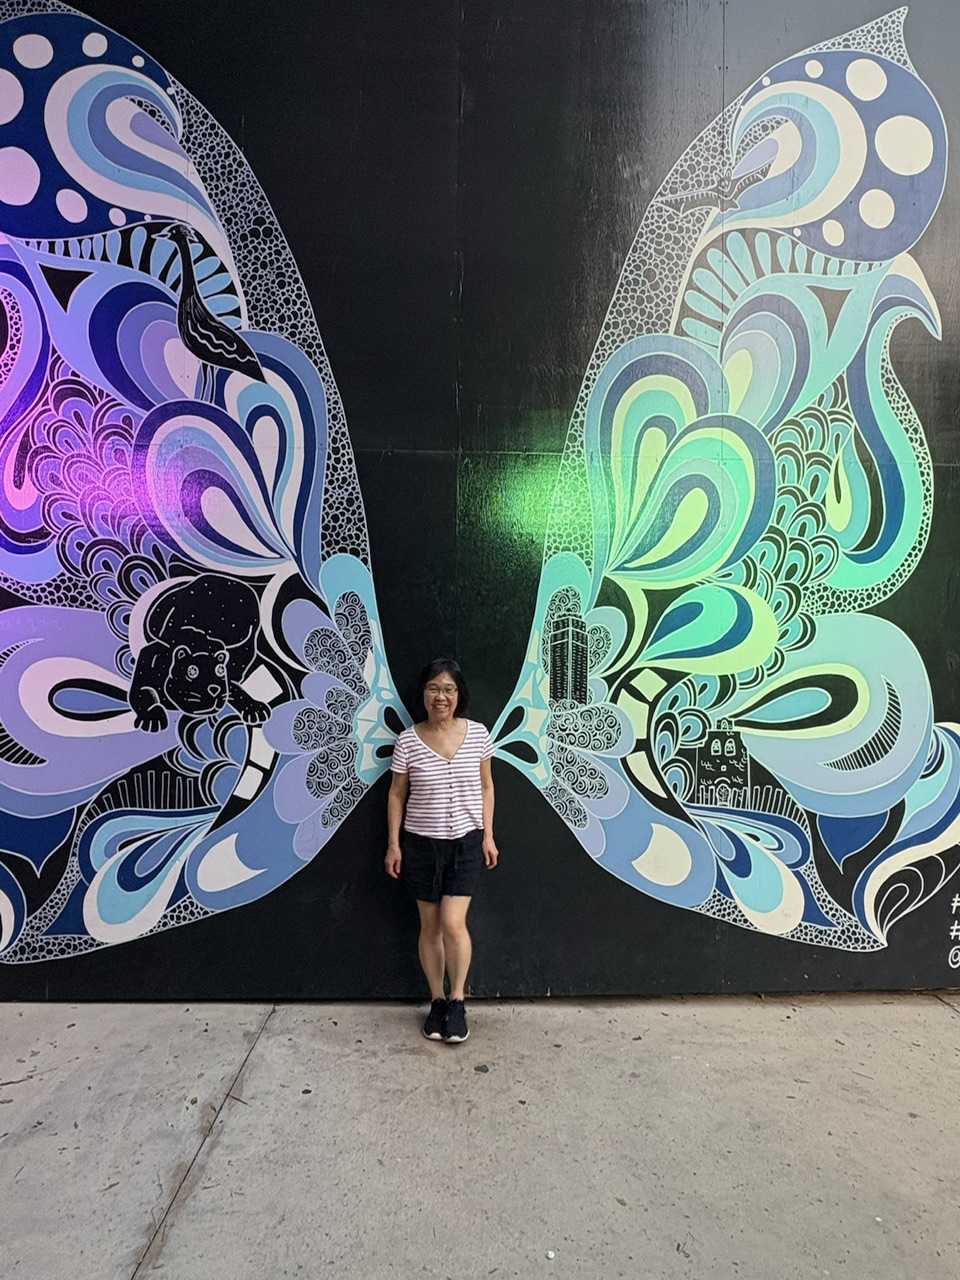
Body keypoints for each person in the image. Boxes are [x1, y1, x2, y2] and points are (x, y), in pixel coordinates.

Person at [385, 658, 499, 1043]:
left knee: (452, 922)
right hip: (421, 844)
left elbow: (487, 787)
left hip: (466, 843)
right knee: (430, 926)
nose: (441, 696)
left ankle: (458, 1000)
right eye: (434, 688)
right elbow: (397, 793)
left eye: (449, 689)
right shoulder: (408, 741)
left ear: (458, 694)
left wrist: (488, 835)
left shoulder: (478, 734)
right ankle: (436, 1001)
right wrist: (394, 844)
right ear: (423, 694)